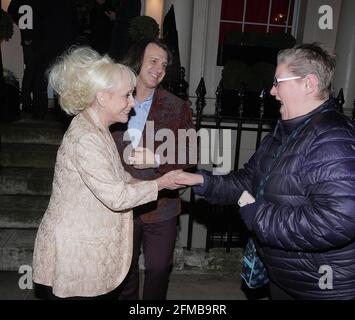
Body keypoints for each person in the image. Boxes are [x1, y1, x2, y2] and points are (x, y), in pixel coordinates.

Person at [175, 43, 355, 300]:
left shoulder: (332, 137)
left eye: (278, 82)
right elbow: (250, 180)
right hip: (285, 276)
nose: (272, 91)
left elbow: (339, 220)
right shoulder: (285, 130)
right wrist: (201, 180)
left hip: (321, 288)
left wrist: (259, 216)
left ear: (309, 84)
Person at [32, 47, 183, 300]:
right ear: (102, 97)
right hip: (77, 256)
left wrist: (144, 180)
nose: (132, 103)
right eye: (126, 96)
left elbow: (117, 176)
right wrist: (160, 184)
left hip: (86, 252)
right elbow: (117, 196)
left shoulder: (97, 127)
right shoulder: (87, 137)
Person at [111, 38, 196, 300]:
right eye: (154, 60)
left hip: (161, 206)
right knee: (124, 271)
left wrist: (157, 159)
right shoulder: (113, 100)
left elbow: (190, 154)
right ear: (138, 60)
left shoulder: (176, 106)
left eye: (164, 64)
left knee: (159, 269)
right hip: (121, 203)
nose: (160, 68)